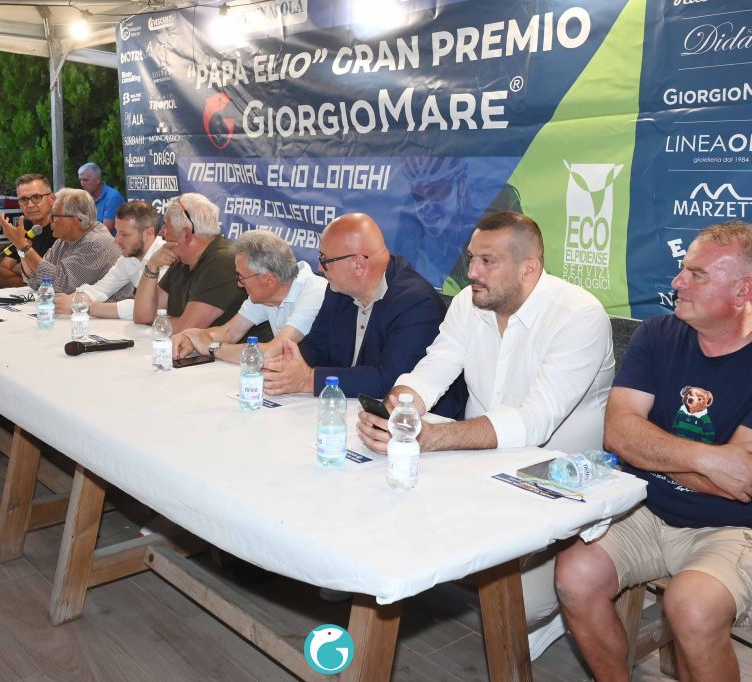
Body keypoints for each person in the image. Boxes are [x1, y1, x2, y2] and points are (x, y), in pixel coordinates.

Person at [555, 222, 752, 682]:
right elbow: (618, 434)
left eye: (696, 274)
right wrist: (709, 458)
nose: (677, 282)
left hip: (744, 527)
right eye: (683, 270)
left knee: (692, 606)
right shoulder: (657, 335)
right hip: (646, 508)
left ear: (743, 291)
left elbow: (736, 485)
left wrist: (651, 451)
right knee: (574, 576)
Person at [356, 210, 615, 658]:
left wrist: (429, 438)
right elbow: (433, 370)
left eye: (487, 261)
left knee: (521, 605)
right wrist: (397, 411)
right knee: (374, 512)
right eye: (471, 258)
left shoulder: (578, 315)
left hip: (557, 481)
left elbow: (534, 423)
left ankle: (558, 613)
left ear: (529, 268)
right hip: (478, 465)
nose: (472, 272)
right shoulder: (469, 302)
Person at [262, 212, 466, 418]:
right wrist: (287, 366)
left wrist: (308, 379)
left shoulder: (417, 303)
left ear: (358, 264)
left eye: (324, 260)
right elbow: (317, 346)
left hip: (420, 422)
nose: (319, 268)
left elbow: (389, 380)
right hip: (349, 406)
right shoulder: (338, 290)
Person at [171, 230, 327, 363]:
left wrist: (213, 348)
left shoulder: (315, 293)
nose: (239, 284)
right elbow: (229, 332)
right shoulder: (266, 296)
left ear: (268, 279)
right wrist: (193, 336)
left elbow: (271, 352)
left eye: (242, 277)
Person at [132, 193, 248, 334]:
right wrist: (152, 265)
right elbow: (143, 316)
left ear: (186, 235)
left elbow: (185, 329)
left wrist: (160, 320)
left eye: (166, 226)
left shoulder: (222, 262)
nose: (162, 232)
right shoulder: (181, 258)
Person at [52, 200, 166, 319]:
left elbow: (149, 307)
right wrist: (71, 300)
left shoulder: (167, 259)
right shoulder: (128, 258)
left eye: (124, 234)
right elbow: (101, 289)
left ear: (148, 233)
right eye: (117, 232)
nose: (117, 240)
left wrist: (82, 306)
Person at [18, 188, 121, 293]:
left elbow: (60, 285)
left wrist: (25, 247)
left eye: (53, 216)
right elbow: (37, 280)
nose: (49, 220)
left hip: (108, 303)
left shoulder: (96, 243)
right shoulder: (63, 239)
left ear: (76, 219)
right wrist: (21, 248)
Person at [0, 173, 58, 288]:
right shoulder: (24, 226)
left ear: (52, 199)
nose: (30, 205)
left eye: (36, 197)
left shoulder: (61, 229)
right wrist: (32, 280)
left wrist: (19, 268)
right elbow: (2, 271)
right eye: (24, 199)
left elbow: (50, 276)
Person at [78, 162, 125, 233]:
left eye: (85, 180)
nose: (82, 184)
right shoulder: (86, 197)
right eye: (80, 180)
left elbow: (104, 232)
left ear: (97, 180)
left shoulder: (112, 197)